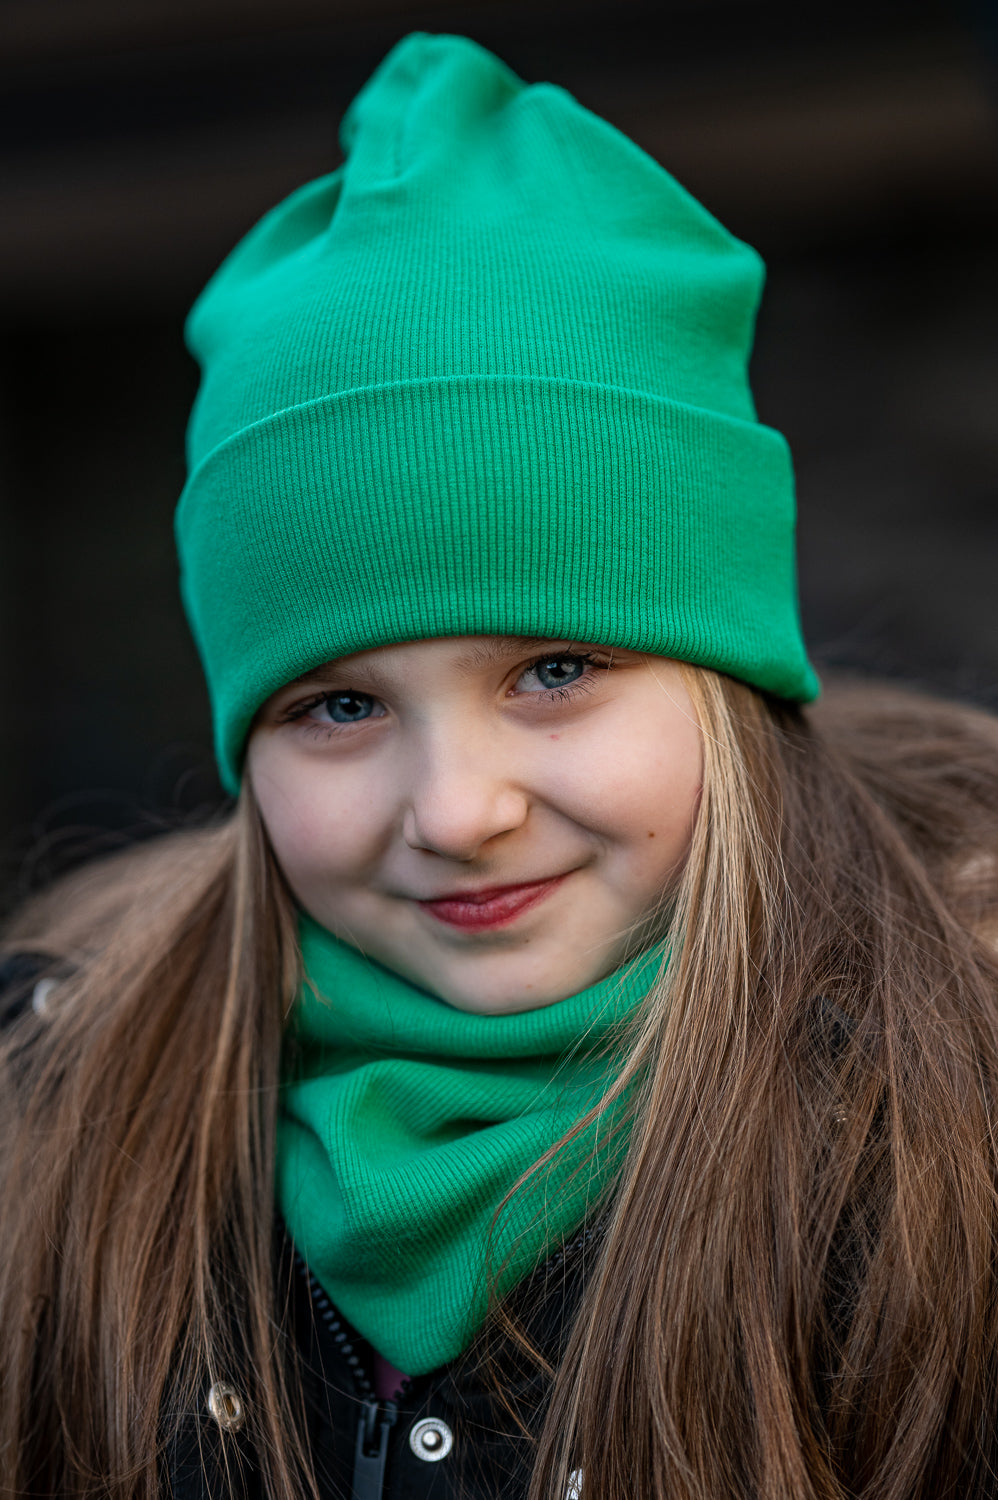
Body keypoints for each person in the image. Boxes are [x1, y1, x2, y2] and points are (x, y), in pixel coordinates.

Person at [2, 30, 998, 1500]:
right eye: (336, 706)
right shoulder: (58, 1128)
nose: (458, 813)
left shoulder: (946, 1154)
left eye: (554, 672)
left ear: (730, 685)